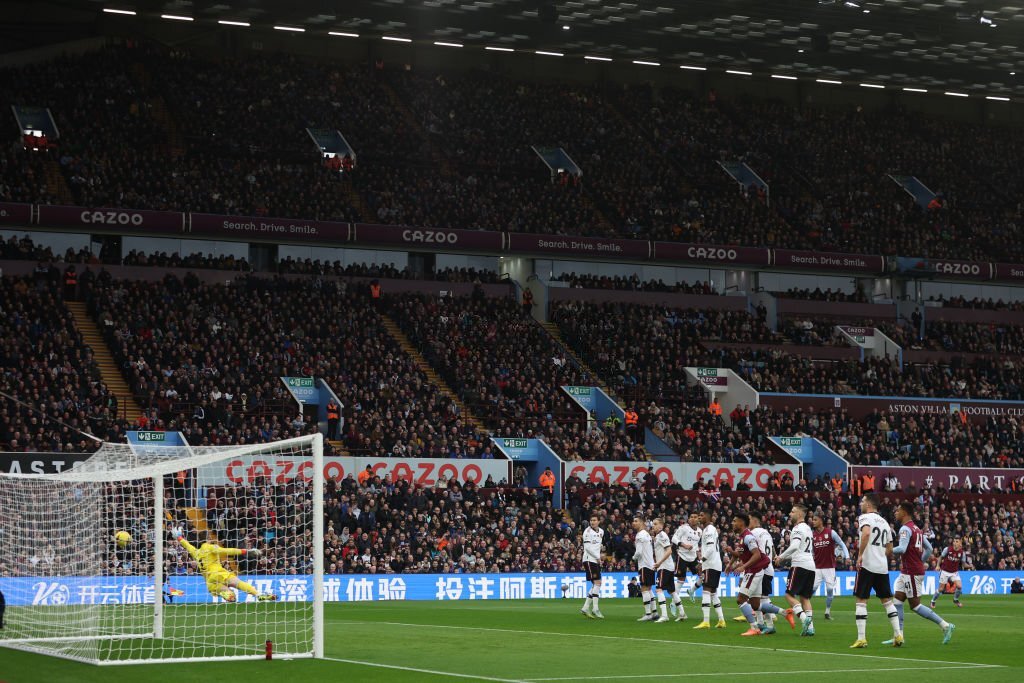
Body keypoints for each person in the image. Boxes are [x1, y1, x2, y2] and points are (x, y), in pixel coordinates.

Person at [889, 502, 955, 645]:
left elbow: (901, 548)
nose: (895, 512)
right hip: (907, 571)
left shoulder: (905, 529)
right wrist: (920, 561)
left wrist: (886, 550)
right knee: (897, 601)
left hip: (911, 572)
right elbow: (929, 548)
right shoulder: (917, 529)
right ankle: (898, 636)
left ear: (905, 513)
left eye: (898, 510)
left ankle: (946, 625)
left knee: (915, 606)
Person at [171, 525, 276, 602]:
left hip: (210, 582)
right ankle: (258, 595)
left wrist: (179, 538)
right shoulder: (211, 547)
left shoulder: (196, 552)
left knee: (232, 598)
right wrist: (246, 551)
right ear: (207, 539)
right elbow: (227, 551)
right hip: (219, 574)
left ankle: (227, 593)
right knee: (238, 583)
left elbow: (187, 546)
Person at [850, 494, 902, 648]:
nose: (860, 503)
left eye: (863, 501)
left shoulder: (865, 517)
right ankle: (898, 635)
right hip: (882, 567)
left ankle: (861, 638)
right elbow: (890, 548)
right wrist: (880, 555)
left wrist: (860, 555)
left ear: (868, 504)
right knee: (887, 601)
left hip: (867, 565)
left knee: (861, 600)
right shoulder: (885, 522)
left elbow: (866, 533)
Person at [776, 504, 816, 636]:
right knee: (805, 598)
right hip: (810, 565)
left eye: (793, 512)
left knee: (788, 595)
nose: (790, 514)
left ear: (799, 515)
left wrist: (781, 557)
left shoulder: (798, 528)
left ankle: (805, 620)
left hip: (800, 564)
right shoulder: (808, 529)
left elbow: (794, 547)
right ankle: (811, 628)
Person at [728, 512, 770, 637]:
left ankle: (754, 627)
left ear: (742, 522)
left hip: (753, 571)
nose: (732, 523)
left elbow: (756, 554)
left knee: (741, 599)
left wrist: (743, 567)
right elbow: (742, 555)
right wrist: (733, 565)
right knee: (756, 604)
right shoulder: (742, 537)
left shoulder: (748, 537)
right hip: (753, 570)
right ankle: (784, 612)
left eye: (735, 521)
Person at [749, 511, 790, 634]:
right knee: (758, 598)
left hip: (761, 569)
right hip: (768, 569)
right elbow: (771, 550)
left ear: (755, 521)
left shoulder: (753, 533)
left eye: (749, 520)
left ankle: (772, 622)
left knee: (761, 599)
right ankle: (761, 624)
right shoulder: (766, 532)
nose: (747, 523)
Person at [811, 511, 850, 620]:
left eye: (815, 520)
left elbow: (842, 544)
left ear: (821, 521)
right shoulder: (812, 535)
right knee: (812, 588)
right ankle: (807, 609)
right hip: (817, 568)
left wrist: (847, 557)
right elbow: (810, 550)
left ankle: (827, 611)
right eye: (812, 520)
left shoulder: (831, 532)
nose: (813, 522)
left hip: (829, 568)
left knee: (829, 589)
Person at [693, 509, 726, 630]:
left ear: (708, 517)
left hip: (711, 564)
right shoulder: (707, 530)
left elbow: (711, 548)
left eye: (701, 515)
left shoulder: (709, 529)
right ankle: (721, 620)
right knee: (713, 592)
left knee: (706, 591)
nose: (699, 517)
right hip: (714, 563)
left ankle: (706, 621)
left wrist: (702, 561)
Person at [651, 518, 683, 622]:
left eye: (655, 524)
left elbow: (669, 551)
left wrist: (659, 563)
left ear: (661, 526)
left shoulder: (661, 535)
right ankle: (682, 613)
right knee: (672, 591)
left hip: (664, 567)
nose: (653, 526)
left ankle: (664, 615)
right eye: (653, 524)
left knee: (659, 589)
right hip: (668, 566)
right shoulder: (658, 536)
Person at [671, 511, 702, 602]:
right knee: (681, 579)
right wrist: (684, 545)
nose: (693, 518)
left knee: (703, 576)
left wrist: (699, 555)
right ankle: (674, 603)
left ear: (698, 519)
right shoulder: (683, 528)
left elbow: (696, 545)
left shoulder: (700, 531)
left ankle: (691, 590)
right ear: (688, 519)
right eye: (691, 517)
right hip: (682, 556)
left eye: (695, 517)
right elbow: (674, 538)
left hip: (693, 558)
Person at [580, 514, 605, 619]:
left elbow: (598, 545)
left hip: (595, 560)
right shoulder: (587, 532)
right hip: (589, 559)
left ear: (599, 521)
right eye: (591, 520)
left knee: (596, 584)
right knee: (597, 583)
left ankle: (585, 608)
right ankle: (595, 608)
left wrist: (601, 552)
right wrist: (598, 557)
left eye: (594, 520)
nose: (592, 522)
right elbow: (588, 548)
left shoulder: (601, 532)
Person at [632, 516, 656, 622]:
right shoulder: (647, 534)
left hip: (644, 565)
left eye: (636, 521)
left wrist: (633, 558)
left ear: (641, 523)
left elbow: (639, 552)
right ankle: (654, 612)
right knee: (649, 589)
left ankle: (648, 614)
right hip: (650, 564)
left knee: (644, 589)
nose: (634, 523)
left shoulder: (640, 535)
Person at [932, 538, 965, 609]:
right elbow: (941, 557)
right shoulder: (947, 549)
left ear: (960, 544)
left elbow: (963, 564)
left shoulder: (962, 553)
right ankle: (933, 601)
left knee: (959, 586)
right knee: (941, 589)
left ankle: (955, 599)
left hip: (954, 572)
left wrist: (970, 566)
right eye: (954, 541)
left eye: (957, 541)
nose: (955, 543)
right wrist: (938, 566)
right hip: (945, 571)